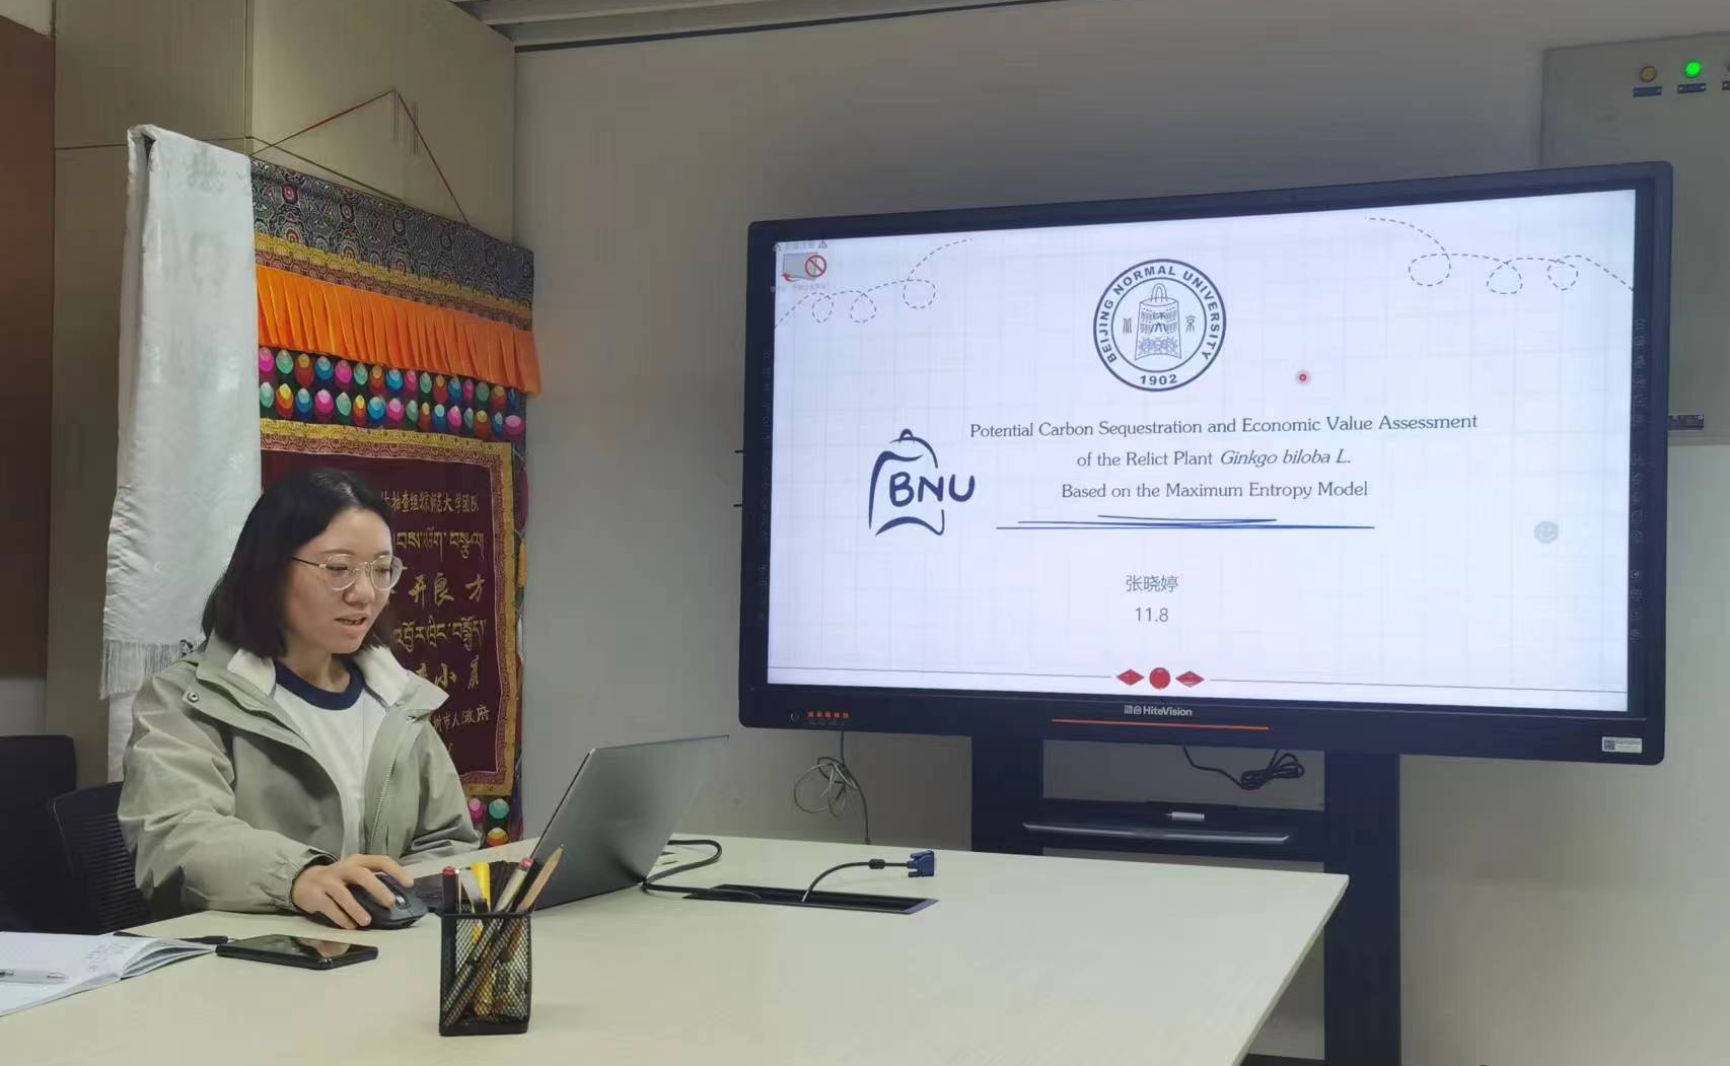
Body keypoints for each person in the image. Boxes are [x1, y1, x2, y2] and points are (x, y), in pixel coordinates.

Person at [119, 468, 478, 928]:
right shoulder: (186, 698)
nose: (365, 593)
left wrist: (403, 902)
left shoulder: (396, 697)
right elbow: (174, 836)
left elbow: (447, 841)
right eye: (338, 569)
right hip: (244, 956)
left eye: (382, 570)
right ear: (270, 570)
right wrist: (298, 877)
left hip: (384, 951)